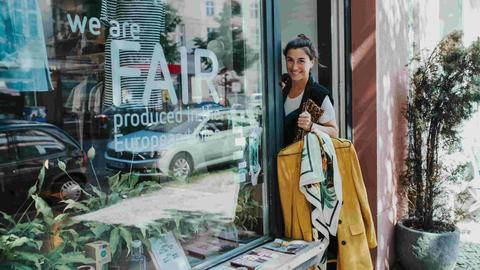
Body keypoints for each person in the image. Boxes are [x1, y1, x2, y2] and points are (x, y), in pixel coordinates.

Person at [282, 34, 338, 146]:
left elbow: (334, 132)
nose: (294, 67)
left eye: (301, 61)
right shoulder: (280, 87)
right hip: (277, 159)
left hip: (304, 161)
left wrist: (311, 126)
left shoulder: (319, 94)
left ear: (312, 62)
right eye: (290, 60)